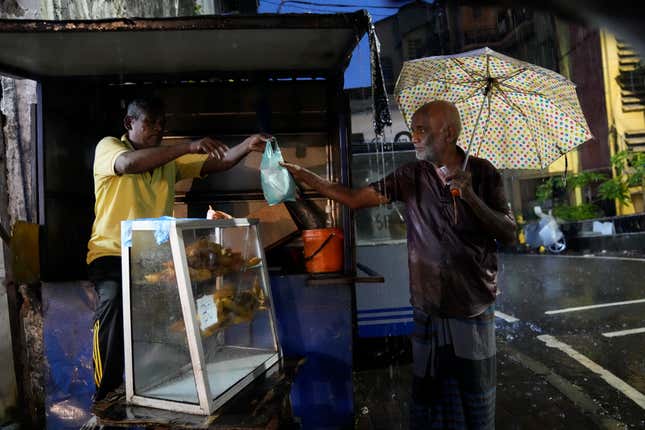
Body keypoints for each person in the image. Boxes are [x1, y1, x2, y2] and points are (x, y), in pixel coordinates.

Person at [281, 100, 515, 429]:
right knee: (430, 398)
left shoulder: (484, 172)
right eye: (413, 130)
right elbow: (353, 198)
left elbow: (509, 232)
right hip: (428, 304)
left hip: (472, 305)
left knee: (473, 395)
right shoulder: (411, 175)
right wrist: (305, 175)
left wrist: (471, 197)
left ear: (448, 133)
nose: (413, 137)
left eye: (421, 130)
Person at [86, 96, 269, 402]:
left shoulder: (165, 161)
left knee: (182, 304)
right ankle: (104, 392)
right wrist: (186, 146)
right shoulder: (109, 148)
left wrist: (248, 145)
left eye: (162, 124)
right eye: (150, 123)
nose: (158, 129)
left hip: (151, 258)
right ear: (129, 123)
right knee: (114, 301)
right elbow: (129, 165)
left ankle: (172, 380)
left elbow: (216, 162)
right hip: (111, 253)